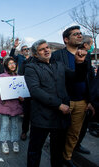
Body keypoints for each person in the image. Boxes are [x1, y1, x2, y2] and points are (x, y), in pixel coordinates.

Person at [25, 39, 87, 167]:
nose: (46, 50)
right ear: (36, 54)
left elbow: (77, 78)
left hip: (60, 118)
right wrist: (58, 105)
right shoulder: (31, 67)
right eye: (42, 49)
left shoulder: (59, 65)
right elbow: (35, 91)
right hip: (42, 117)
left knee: (57, 151)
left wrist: (79, 63)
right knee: (35, 150)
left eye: (47, 47)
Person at [52, 26, 95, 167]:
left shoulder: (86, 55)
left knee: (74, 133)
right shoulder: (58, 56)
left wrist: (90, 101)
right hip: (65, 101)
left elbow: (90, 78)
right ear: (66, 39)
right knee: (61, 133)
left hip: (82, 101)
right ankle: (57, 158)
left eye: (80, 33)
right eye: (75, 34)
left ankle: (67, 156)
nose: (79, 36)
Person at [0, 57, 23, 154]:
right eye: (10, 64)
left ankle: (15, 141)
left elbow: (22, 91)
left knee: (15, 125)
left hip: (16, 106)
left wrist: (23, 98)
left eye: (13, 63)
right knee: (5, 125)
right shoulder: (2, 76)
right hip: (5, 105)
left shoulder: (19, 77)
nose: (12, 65)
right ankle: (4, 142)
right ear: (6, 66)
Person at [74, 35, 95, 154]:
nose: (92, 46)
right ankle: (73, 148)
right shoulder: (82, 58)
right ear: (86, 45)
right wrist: (89, 100)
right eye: (91, 44)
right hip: (82, 99)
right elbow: (86, 80)